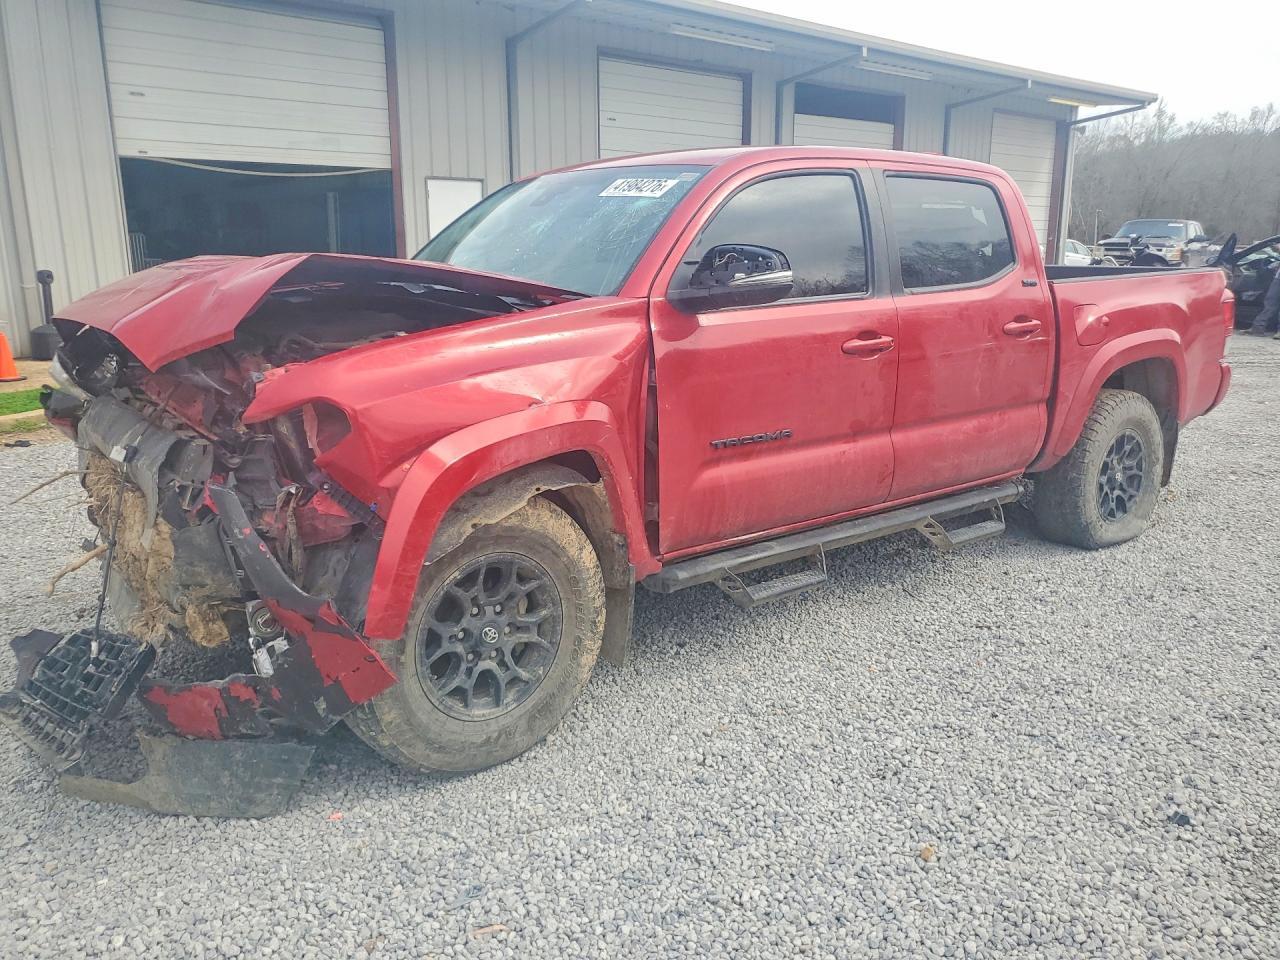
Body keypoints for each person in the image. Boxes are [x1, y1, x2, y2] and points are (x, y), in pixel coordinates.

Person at [1248, 266, 1280, 338]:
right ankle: (1257, 328)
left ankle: (1258, 327)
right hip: (1277, 279)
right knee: (1269, 303)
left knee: (1270, 304)